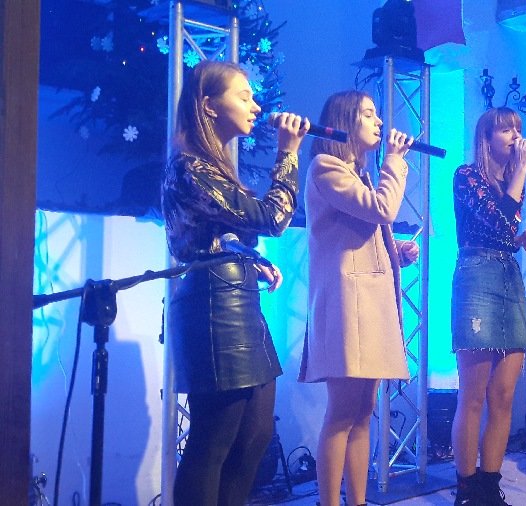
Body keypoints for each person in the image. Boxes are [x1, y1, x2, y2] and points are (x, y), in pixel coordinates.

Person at [162, 60, 310, 506]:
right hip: (211, 306)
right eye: (244, 96)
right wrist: (288, 154)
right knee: (215, 439)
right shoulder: (190, 167)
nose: (256, 106)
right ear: (208, 105)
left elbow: (221, 232)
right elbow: (271, 218)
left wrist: (250, 259)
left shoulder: (214, 166)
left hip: (238, 300)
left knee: (256, 434)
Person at [298, 90, 418, 506]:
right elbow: (382, 208)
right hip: (347, 305)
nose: (379, 122)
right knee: (342, 412)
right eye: (368, 114)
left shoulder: (355, 173)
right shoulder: (325, 167)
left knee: (364, 411)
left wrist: (394, 249)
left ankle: (359, 501)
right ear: (345, 121)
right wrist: (395, 162)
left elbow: (357, 231)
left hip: (368, 301)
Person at [450, 106, 526, 506]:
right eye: (505, 130)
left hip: (508, 276)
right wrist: (521, 174)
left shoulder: (509, 184)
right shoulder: (466, 175)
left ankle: (489, 485)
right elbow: (497, 221)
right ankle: (466, 488)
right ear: (486, 139)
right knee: (473, 395)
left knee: (503, 396)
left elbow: (505, 230)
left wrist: (520, 238)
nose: (515, 135)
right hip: (476, 276)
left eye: (517, 128)